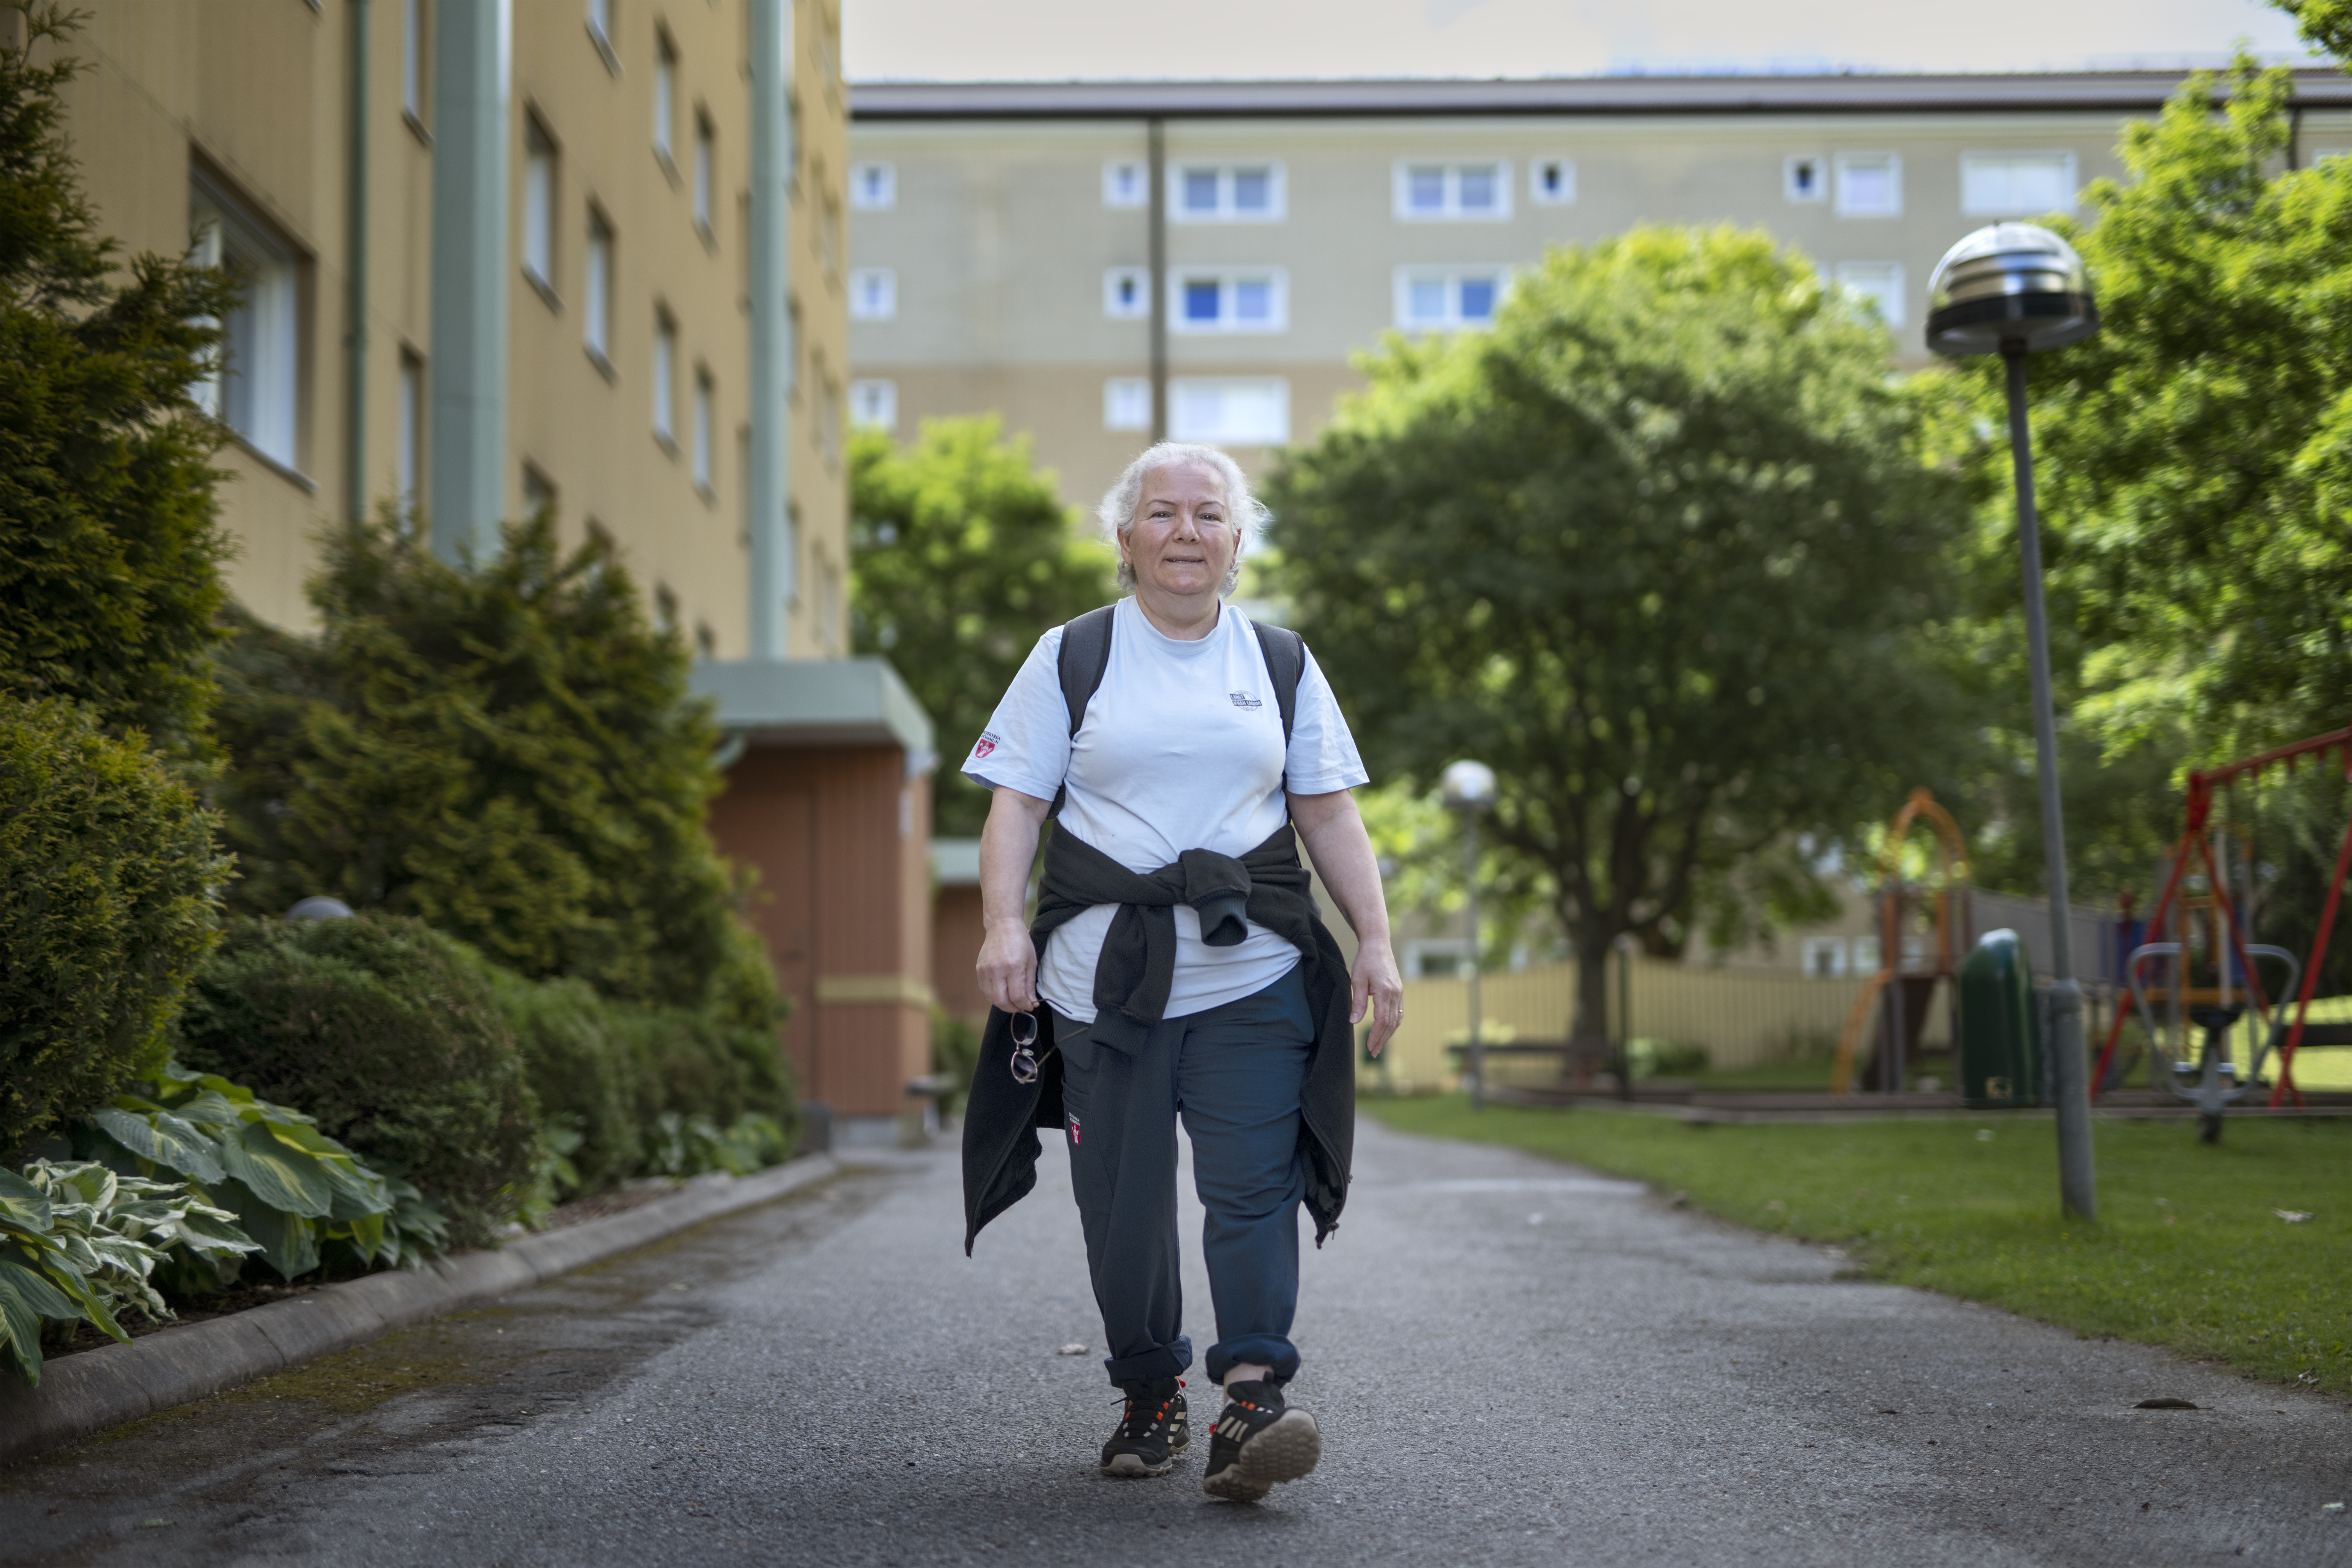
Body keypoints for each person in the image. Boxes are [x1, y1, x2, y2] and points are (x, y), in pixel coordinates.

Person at [958, 441, 1403, 1503]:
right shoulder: (1072, 655)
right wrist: (1001, 926)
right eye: (1161, 514)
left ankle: (1251, 1402)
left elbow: (1328, 811)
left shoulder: (1280, 663)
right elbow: (1016, 803)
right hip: (1100, 983)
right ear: (1126, 539)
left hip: (1250, 977)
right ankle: (1149, 1393)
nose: (1185, 533)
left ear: (1237, 543)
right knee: (1122, 1204)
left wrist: (1377, 940)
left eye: (1208, 516)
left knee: (1253, 1185)